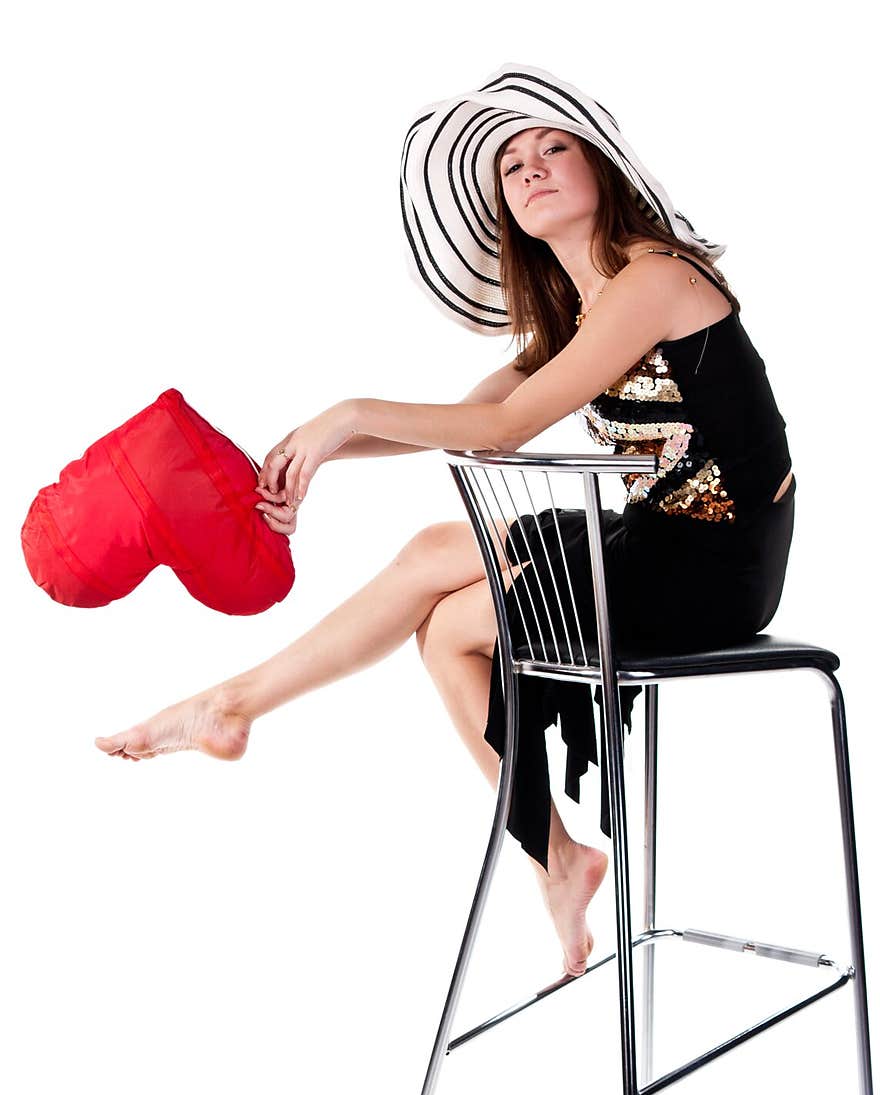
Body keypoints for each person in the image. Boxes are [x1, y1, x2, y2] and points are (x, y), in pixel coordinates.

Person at [94, 63, 795, 980]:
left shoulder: (656, 279)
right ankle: (549, 852)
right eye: (511, 163)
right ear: (504, 205)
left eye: (554, 147)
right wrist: (318, 449)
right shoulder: (580, 318)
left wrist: (349, 409)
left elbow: (504, 429)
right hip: (657, 538)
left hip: (720, 563)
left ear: (604, 172)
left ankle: (241, 710)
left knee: (452, 625)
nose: (533, 167)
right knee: (434, 568)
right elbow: (466, 420)